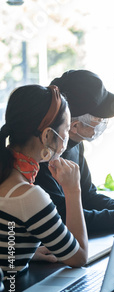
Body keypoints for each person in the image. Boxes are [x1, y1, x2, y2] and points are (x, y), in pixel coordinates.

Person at [34, 70, 114, 240]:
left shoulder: (75, 145)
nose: (103, 123)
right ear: (75, 126)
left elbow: (87, 196)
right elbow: (62, 218)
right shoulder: (42, 158)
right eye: (99, 118)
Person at [0, 85, 88, 273]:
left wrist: (23, 252)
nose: (67, 137)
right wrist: (73, 190)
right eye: (66, 129)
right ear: (48, 135)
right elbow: (79, 257)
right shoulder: (27, 195)